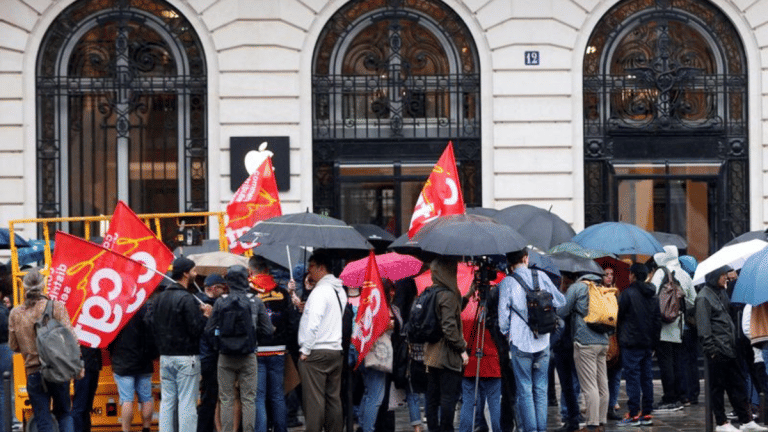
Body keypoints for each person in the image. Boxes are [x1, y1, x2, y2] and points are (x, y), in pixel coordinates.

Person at [499, 248, 565, 432]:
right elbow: (560, 301)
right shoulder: (541, 276)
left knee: (525, 390)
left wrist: (508, 333)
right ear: (526, 258)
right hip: (543, 340)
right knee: (541, 389)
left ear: (509, 262)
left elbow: (502, 321)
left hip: (520, 343)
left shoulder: (507, 283)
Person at [9, 269, 83, 432]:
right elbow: (71, 338)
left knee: (43, 419)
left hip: (33, 372)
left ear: (25, 288)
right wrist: (79, 365)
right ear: (43, 286)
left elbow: (13, 345)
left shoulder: (16, 313)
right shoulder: (56, 307)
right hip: (58, 369)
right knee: (64, 413)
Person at [695, 265, 767, 432]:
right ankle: (721, 423)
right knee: (718, 388)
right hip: (718, 350)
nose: (725, 278)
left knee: (738, 385)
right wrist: (711, 350)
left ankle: (746, 420)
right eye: (722, 275)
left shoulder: (720, 293)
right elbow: (704, 328)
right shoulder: (704, 297)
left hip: (730, 348)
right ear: (714, 276)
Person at [206, 265, 274, 432]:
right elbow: (267, 330)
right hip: (248, 355)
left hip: (225, 356)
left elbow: (208, 330)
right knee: (249, 399)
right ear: (245, 279)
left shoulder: (221, 302)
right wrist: (254, 338)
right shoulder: (255, 301)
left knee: (226, 399)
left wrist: (219, 344)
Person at [150, 257, 212, 432]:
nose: (195, 273)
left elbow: (151, 323)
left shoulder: (160, 298)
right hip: (186, 357)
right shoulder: (187, 298)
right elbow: (196, 329)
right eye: (193, 270)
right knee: (187, 401)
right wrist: (205, 316)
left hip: (166, 357)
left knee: (168, 401)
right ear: (185, 273)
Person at [297, 250, 348, 432]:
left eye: (311, 266)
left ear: (321, 267)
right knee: (333, 398)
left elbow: (313, 323)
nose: (308, 271)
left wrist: (305, 350)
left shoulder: (320, 291)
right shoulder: (339, 290)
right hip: (335, 349)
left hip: (317, 350)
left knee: (314, 400)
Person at [558, 271, 610, 432]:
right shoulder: (601, 286)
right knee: (602, 384)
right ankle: (601, 422)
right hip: (603, 340)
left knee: (589, 386)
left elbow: (562, 311)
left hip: (585, 342)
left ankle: (592, 424)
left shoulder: (577, 287)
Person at [422, 257, 468, 432]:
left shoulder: (431, 291)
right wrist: (462, 348)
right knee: (448, 398)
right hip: (446, 356)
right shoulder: (447, 295)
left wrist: (468, 295)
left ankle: (433, 429)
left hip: (431, 355)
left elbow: (446, 315)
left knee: (432, 398)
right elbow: (449, 327)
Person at [249, 256, 294, 432]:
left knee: (258, 397)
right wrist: (284, 341)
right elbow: (291, 322)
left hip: (257, 350)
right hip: (278, 349)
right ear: (267, 270)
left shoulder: (249, 292)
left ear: (251, 271)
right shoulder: (282, 293)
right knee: (277, 395)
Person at [650, 245, 696, 411]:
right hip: (679, 325)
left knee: (666, 363)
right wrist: (679, 308)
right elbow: (693, 300)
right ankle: (682, 395)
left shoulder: (661, 272)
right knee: (679, 362)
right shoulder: (684, 274)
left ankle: (669, 397)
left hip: (664, 326)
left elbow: (652, 294)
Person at [616, 263, 660, 427]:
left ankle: (633, 413)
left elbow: (619, 316)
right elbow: (657, 321)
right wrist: (655, 343)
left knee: (633, 378)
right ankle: (646, 412)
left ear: (633, 275)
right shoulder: (653, 295)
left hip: (631, 342)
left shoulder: (628, 294)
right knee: (646, 377)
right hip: (647, 343)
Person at [109, 303, 155, 432]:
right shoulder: (146, 307)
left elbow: (109, 337)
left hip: (123, 361)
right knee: (146, 398)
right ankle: (146, 429)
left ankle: (126, 430)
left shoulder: (116, 308)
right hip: (144, 361)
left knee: (127, 400)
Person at [197, 274, 226, 432]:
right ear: (214, 288)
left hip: (209, 357)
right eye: (222, 288)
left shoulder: (214, 303)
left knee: (212, 397)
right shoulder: (202, 305)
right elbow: (206, 333)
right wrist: (210, 318)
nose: (224, 291)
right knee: (209, 397)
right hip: (209, 358)